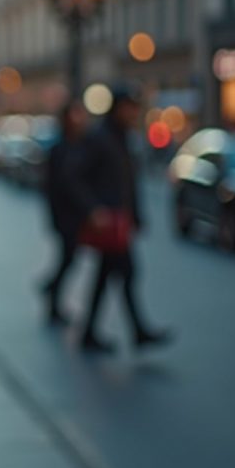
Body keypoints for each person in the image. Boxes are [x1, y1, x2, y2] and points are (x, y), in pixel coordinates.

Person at [66, 86, 173, 353]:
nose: (134, 113)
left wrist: (135, 215)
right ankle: (136, 331)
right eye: (130, 108)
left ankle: (93, 332)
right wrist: (93, 209)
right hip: (108, 222)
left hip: (119, 221)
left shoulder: (123, 139)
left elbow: (127, 182)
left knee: (108, 277)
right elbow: (73, 176)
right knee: (126, 273)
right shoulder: (100, 139)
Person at [40, 100, 89, 326]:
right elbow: (57, 185)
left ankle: (50, 288)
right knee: (68, 258)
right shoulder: (60, 149)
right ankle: (51, 292)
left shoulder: (79, 146)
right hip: (65, 216)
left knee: (68, 259)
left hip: (74, 216)